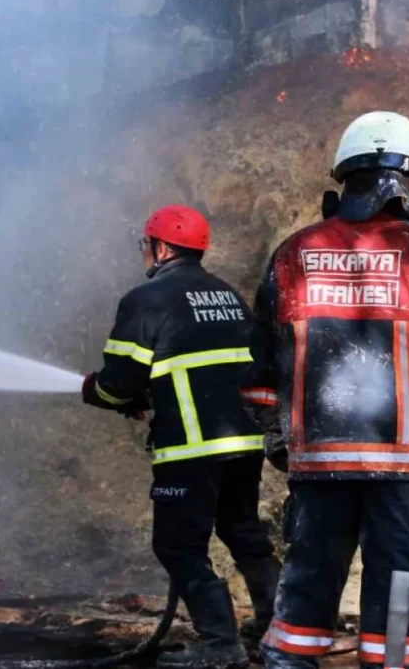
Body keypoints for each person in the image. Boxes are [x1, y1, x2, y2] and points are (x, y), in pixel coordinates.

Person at [242, 112, 409, 669]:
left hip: (321, 464)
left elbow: (261, 364)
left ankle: (287, 662)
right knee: (399, 592)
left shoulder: (293, 254)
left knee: (308, 579)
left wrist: (276, 436)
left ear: (344, 177)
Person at [83, 204, 280, 669]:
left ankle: (219, 643)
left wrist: (96, 390)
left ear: (162, 247)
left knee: (177, 545)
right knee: (243, 531)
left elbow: (118, 382)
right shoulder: (227, 294)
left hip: (192, 449)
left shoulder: (146, 299)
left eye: (145, 245)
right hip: (244, 442)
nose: (144, 254)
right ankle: (276, 626)